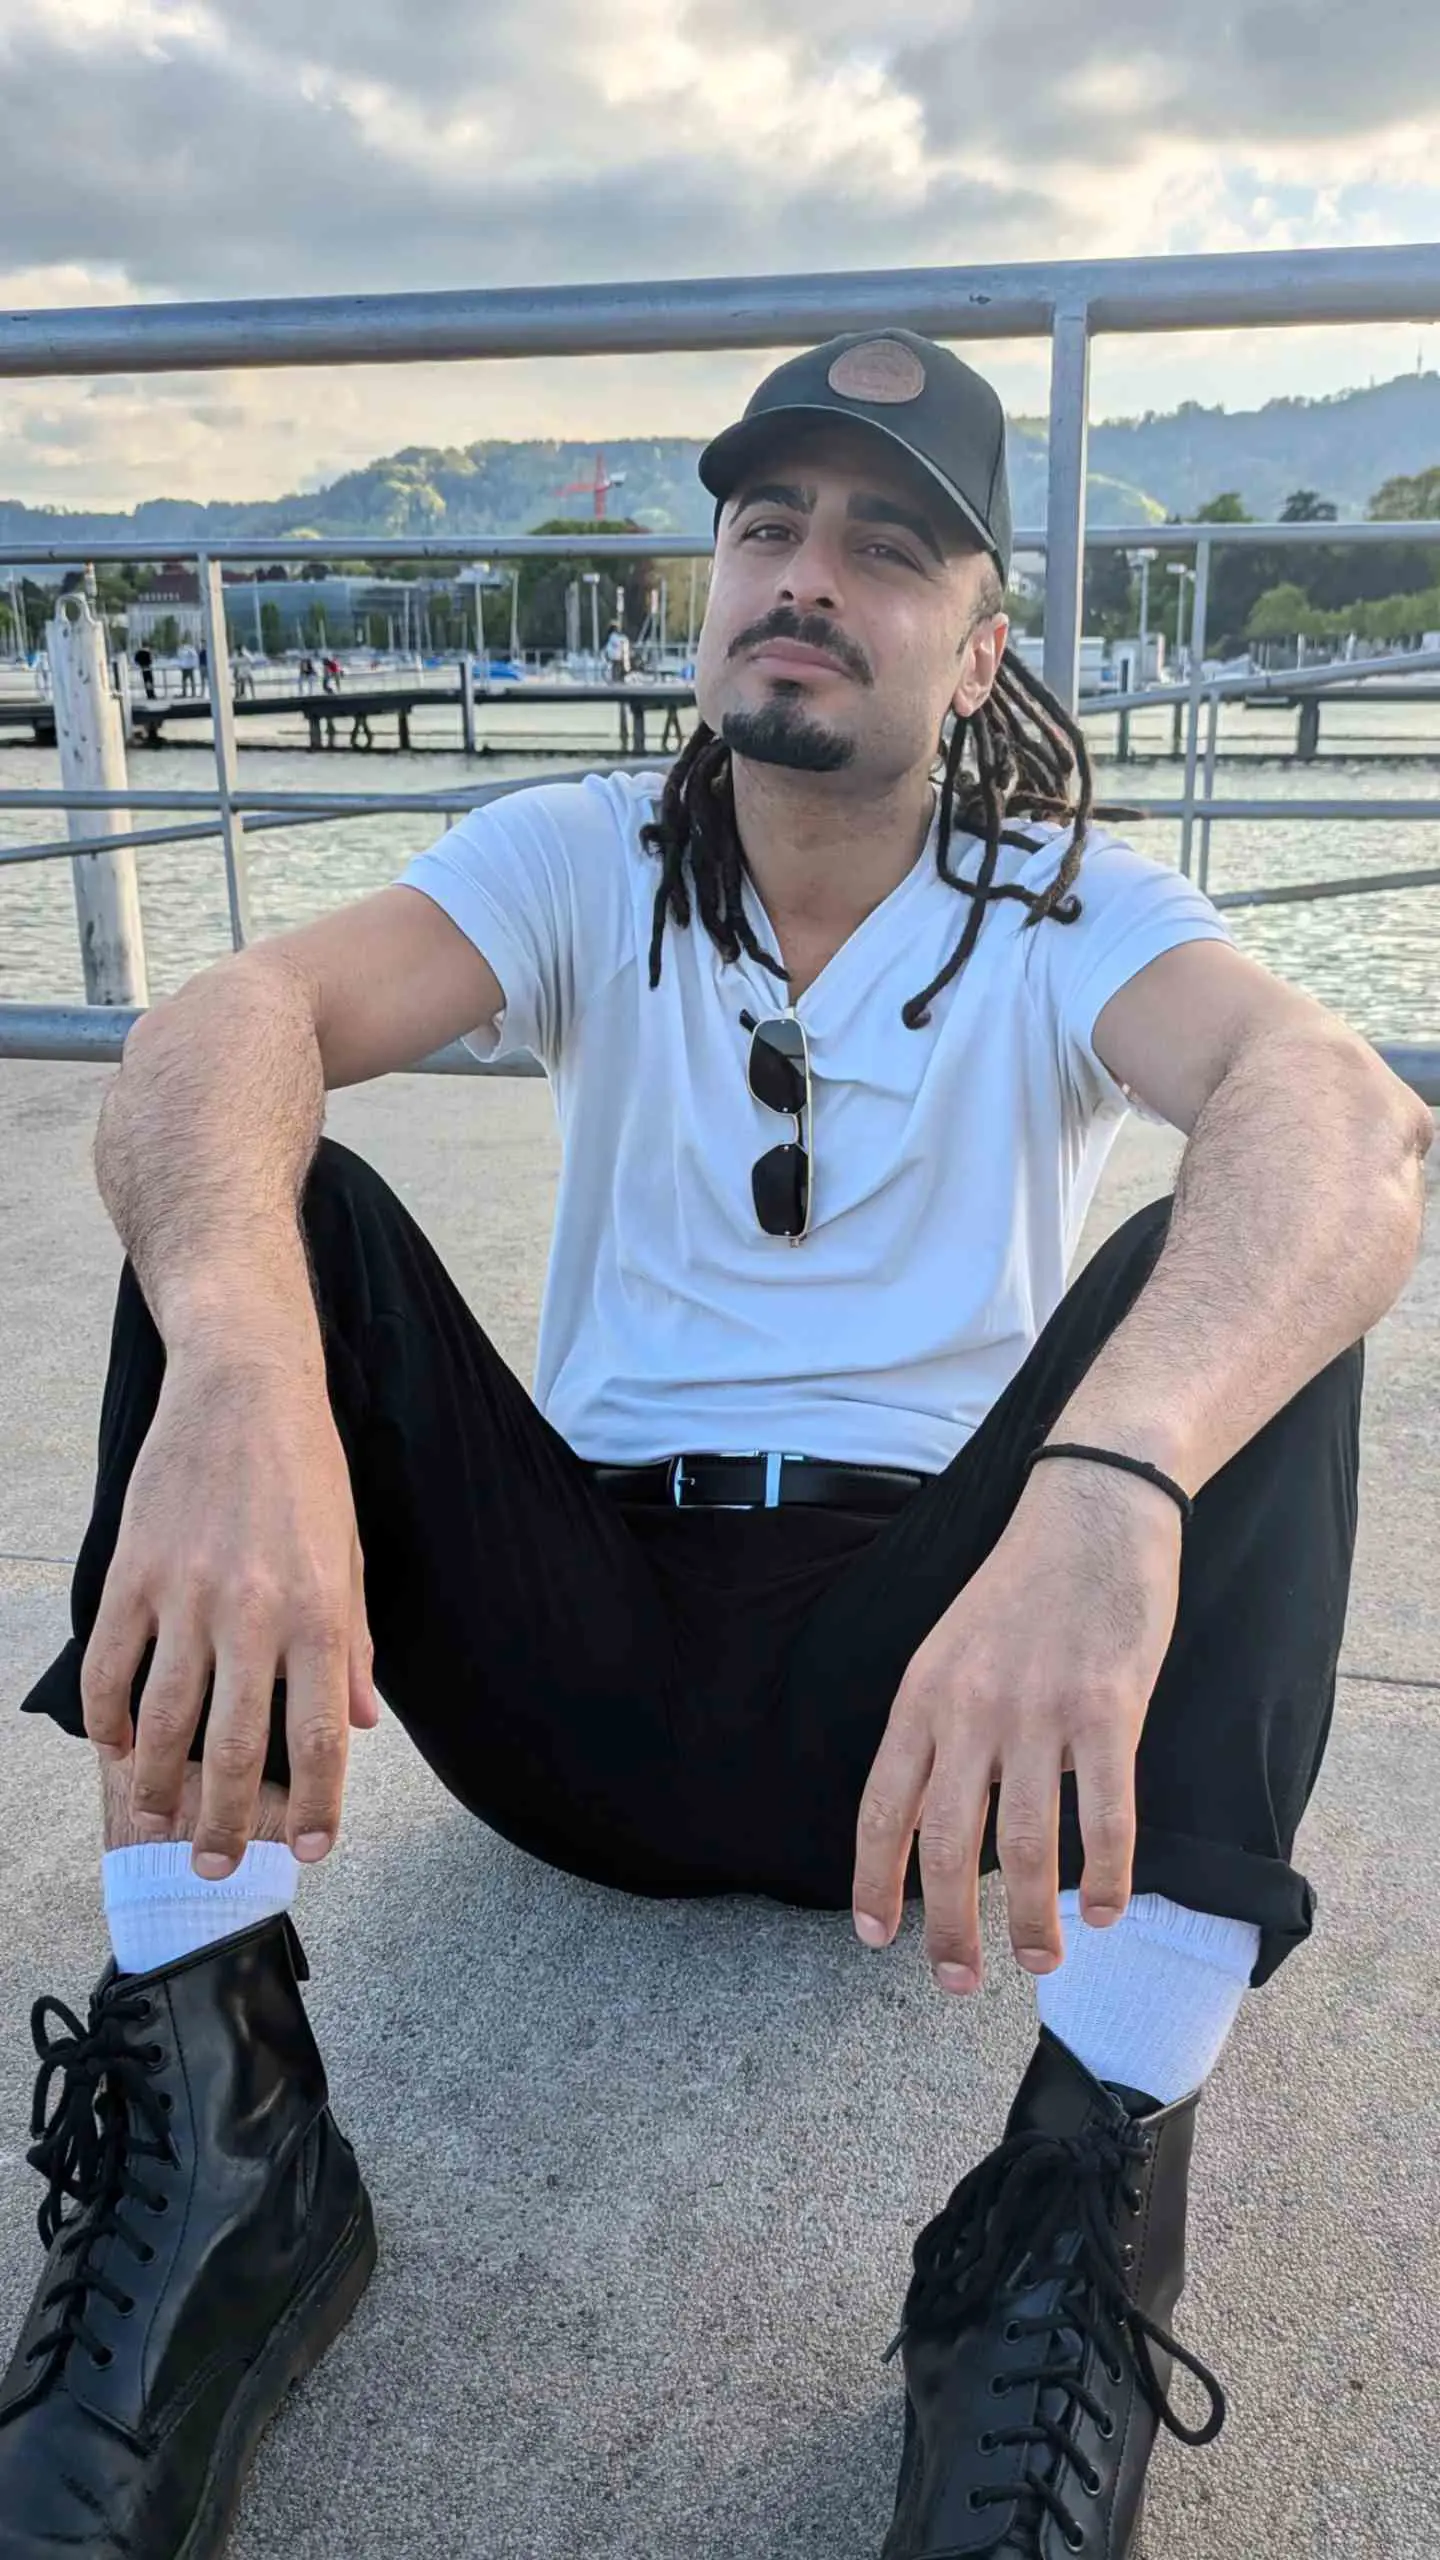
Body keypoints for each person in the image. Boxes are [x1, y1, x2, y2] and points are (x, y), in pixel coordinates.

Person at [2, 328, 1430, 2560]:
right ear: (714, 589)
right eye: (769, 525)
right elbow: (226, 1020)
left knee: (1246, 1279)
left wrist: (1112, 1483)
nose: (808, 574)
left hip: (928, 1718)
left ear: (979, 650)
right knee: (253, 1208)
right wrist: (247, 1370)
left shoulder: (1061, 901)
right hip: (573, 1673)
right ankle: (222, 2132)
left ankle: (1069, 2213)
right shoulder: (583, 853)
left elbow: (1343, 1121)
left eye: (890, 546)